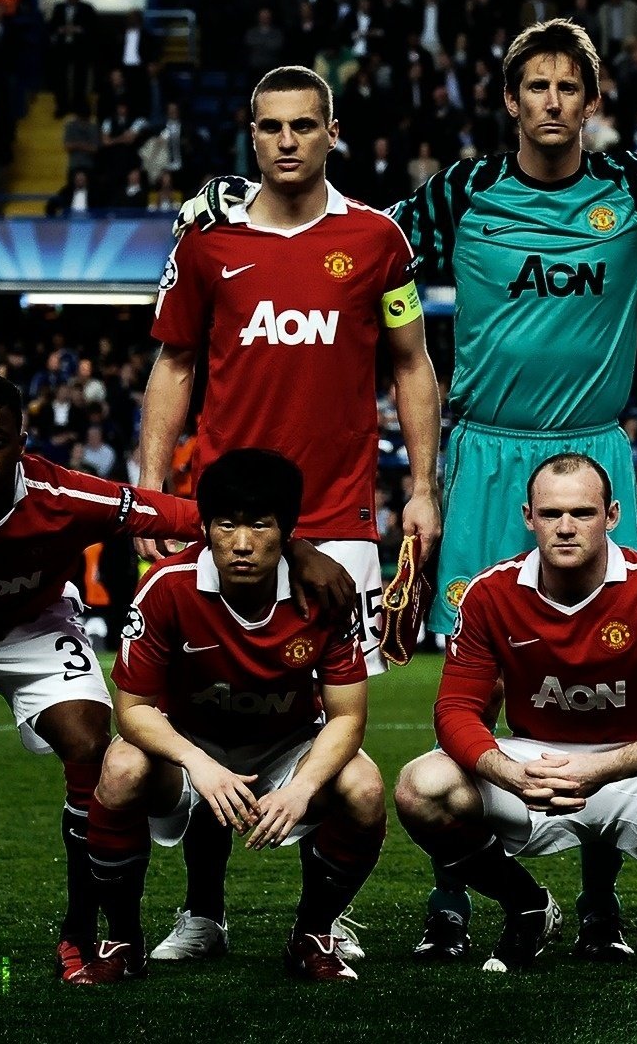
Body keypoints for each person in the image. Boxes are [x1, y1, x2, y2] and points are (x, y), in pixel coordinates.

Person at [175, 23, 637, 961]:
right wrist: (246, 199)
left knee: (614, 673)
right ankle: (458, 898)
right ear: (510, 101)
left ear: (591, 101)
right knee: (476, 672)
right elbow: (353, 240)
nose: (552, 103)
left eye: (569, 88)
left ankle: (599, 900)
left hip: (592, 453)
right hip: (483, 457)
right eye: (535, 88)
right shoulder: (463, 192)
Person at [0, 374, 350, 984]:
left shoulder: (67, 494)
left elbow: (197, 517)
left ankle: (80, 936)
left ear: (21, 441)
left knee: (88, 742)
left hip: (36, 628)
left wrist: (300, 549)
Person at [139, 63, 441, 964]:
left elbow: (412, 364)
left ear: (331, 132)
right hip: (223, 519)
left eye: (303, 126)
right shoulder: (208, 248)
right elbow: (175, 366)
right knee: (208, 712)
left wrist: (422, 487)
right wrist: (157, 490)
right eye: (270, 127)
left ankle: (319, 920)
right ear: (251, 133)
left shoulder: (378, 242)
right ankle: (203, 912)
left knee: (327, 729)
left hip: (340, 521)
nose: (285, 142)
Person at [392, 454, 637, 977]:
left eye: (583, 512)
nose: (567, 527)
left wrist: (602, 769)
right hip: (536, 763)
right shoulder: (490, 593)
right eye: (552, 514)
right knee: (421, 784)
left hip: (633, 768)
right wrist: (509, 772)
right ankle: (527, 905)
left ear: (613, 515)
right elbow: (456, 710)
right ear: (529, 517)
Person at [70, 450, 385, 984]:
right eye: (226, 524)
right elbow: (132, 711)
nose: (241, 543)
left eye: (259, 525)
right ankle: (122, 942)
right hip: (189, 742)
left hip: (285, 745)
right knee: (121, 769)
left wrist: (301, 787)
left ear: (288, 531)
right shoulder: (167, 586)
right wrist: (199, 763)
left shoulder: (324, 595)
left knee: (366, 787)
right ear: (206, 528)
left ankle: (313, 935)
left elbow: (348, 717)